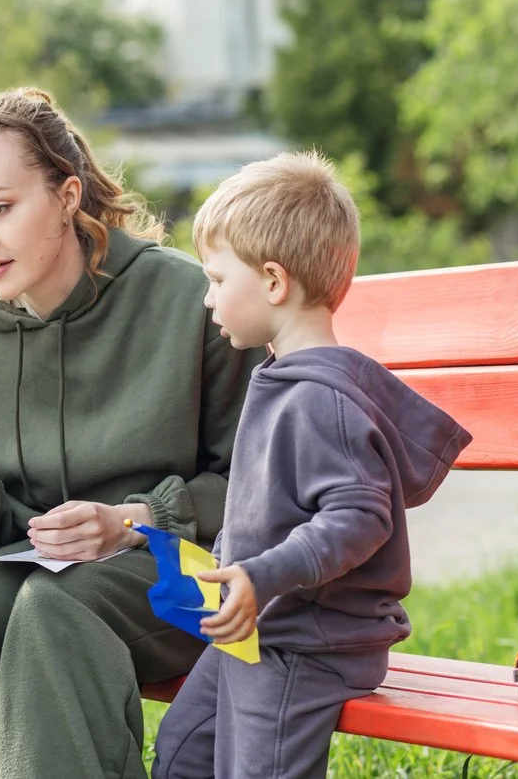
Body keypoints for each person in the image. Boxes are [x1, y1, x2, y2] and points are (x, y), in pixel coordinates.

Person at [0, 88, 263, 779]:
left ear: (66, 195)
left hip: (207, 585)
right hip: (44, 587)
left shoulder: (187, 302)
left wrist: (133, 521)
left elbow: (261, 492)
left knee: (51, 608)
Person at [151, 152, 473, 779]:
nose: (207, 298)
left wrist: (263, 575)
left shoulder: (321, 399)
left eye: (217, 280)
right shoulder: (282, 376)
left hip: (312, 642)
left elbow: (358, 517)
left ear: (274, 281)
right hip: (265, 629)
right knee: (184, 751)